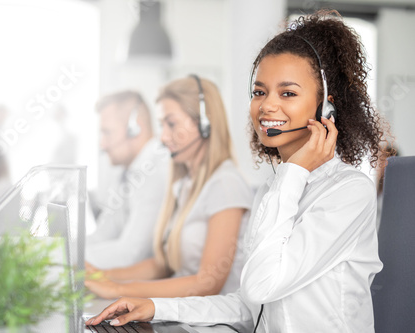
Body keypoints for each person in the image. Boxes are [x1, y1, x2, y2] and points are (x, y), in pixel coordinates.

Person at [86, 11, 390, 332]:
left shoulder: (348, 192)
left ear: (325, 108)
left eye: (287, 93)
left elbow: (263, 285)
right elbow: (249, 304)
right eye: (260, 92)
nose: (267, 106)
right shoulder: (272, 191)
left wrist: (295, 171)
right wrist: (153, 306)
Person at [85, 75, 253, 299]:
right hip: (184, 313)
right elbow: (163, 265)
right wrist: (100, 277)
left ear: (204, 124)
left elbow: (207, 283)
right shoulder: (185, 185)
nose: (163, 137)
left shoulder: (226, 184)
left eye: (171, 124)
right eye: (162, 125)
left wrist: (119, 290)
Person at [86, 91, 169, 269]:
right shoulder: (125, 171)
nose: (103, 145)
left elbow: (131, 254)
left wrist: (62, 260)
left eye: (107, 133)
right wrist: (49, 251)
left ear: (135, 129)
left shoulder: (156, 171)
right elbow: (103, 235)